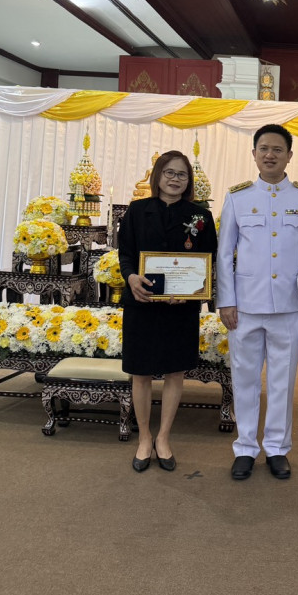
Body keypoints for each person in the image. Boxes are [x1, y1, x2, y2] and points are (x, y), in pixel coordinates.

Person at [217, 124, 298, 481]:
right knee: (244, 378)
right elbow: (225, 253)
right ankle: (245, 447)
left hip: (291, 306)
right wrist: (226, 300)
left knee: (282, 381)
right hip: (245, 306)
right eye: (264, 148)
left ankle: (277, 448)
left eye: (278, 149)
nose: (270, 155)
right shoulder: (238, 197)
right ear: (254, 153)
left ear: (289, 155)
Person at [119, 149, 217, 473]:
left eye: (182, 174)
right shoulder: (136, 211)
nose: (175, 179)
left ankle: (163, 437)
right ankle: (144, 438)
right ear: (158, 176)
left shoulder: (201, 216)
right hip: (142, 303)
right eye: (170, 173)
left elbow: (208, 260)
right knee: (141, 372)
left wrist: (190, 293)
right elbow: (125, 253)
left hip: (181, 309)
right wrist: (131, 277)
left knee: (176, 371)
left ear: (189, 181)